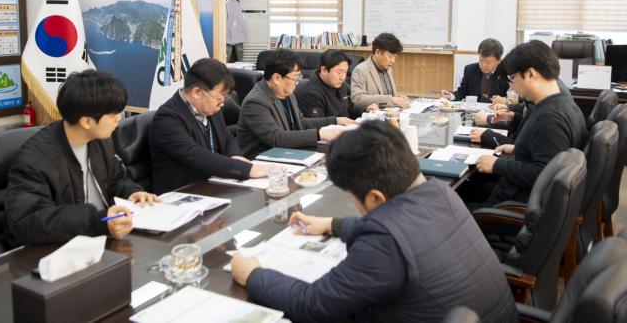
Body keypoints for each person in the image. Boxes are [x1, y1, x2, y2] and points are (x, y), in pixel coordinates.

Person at [230, 121, 517, 323]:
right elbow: (402, 232)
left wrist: (254, 274)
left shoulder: (384, 242)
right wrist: (333, 225)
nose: (354, 205)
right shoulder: (440, 191)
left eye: (352, 197)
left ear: (376, 198)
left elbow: (312, 304)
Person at [4, 70, 159, 247]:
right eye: (113, 114)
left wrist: (132, 192)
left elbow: (117, 179)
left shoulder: (100, 140)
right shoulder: (34, 159)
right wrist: (97, 221)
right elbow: (28, 220)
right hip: (58, 250)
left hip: (101, 237)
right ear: (86, 122)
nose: (119, 118)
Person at [467, 40, 588, 205]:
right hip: (514, 193)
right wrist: (518, 149)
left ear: (531, 74)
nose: (512, 86)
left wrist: (497, 165)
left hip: (511, 207)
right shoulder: (561, 102)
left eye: (513, 78)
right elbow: (551, 155)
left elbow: (544, 174)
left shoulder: (550, 118)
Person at [149, 58, 269, 194]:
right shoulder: (167, 120)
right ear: (197, 92)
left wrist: (235, 156)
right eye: (219, 99)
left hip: (215, 185)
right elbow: (197, 155)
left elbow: (227, 138)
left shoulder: (210, 108)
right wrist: (247, 169)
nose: (222, 104)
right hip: (185, 194)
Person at [237, 49, 354, 159]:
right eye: (295, 79)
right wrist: (319, 134)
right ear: (277, 78)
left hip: (289, 151)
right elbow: (277, 138)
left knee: (343, 151)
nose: (297, 83)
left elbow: (301, 122)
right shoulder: (256, 102)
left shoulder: (286, 92)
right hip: (265, 158)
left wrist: (335, 121)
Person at [295, 49, 378, 118]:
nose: (343, 77)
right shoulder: (311, 94)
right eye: (339, 72)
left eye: (345, 72)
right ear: (324, 70)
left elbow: (348, 107)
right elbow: (318, 126)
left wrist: (365, 109)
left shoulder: (340, 84)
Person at [351, 33, 410, 109]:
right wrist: (392, 99)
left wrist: (398, 98)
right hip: (374, 116)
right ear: (378, 52)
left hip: (391, 113)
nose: (393, 61)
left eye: (394, 57)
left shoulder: (388, 69)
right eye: (390, 56)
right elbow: (358, 99)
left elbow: (388, 95)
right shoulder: (361, 70)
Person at [440, 38, 508, 103]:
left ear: (499, 60)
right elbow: (462, 91)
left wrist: (505, 100)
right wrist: (450, 96)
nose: (483, 65)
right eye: (481, 60)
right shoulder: (470, 70)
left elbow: (514, 98)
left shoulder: (507, 73)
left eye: (488, 62)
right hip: (473, 110)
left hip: (496, 112)